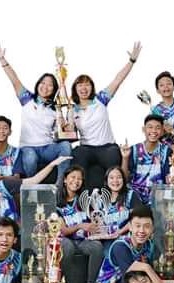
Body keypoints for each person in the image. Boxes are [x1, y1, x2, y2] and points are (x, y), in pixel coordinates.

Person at [0, 42, 71, 184]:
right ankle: (31, 187)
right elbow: (15, 80)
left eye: (50, 85)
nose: (45, 87)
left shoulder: (55, 109)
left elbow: (59, 133)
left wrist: (63, 124)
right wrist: (2, 60)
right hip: (28, 147)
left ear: (54, 90)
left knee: (65, 145)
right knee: (30, 157)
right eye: (43, 83)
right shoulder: (27, 99)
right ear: (38, 84)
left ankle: (60, 185)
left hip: (47, 147)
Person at [70, 42, 142, 189]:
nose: (84, 88)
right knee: (78, 154)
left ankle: (116, 196)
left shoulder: (100, 100)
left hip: (106, 147)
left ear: (92, 87)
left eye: (87, 84)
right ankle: (80, 196)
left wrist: (131, 61)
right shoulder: (72, 110)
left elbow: (118, 80)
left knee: (113, 155)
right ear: (75, 89)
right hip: (86, 148)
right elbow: (70, 133)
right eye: (80, 85)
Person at [57, 165, 105, 283]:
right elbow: (63, 230)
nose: (76, 181)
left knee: (97, 246)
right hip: (66, 240)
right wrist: (80, 226)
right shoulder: (57, 203)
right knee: (67, 246)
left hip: (83, 241)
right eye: (73, 177)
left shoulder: (85, 200)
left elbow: (95, 219)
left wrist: (96, 225)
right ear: (65, 180)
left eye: (79, 179)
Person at [95, 205, 155, 283]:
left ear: (152, 228)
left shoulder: (148, 245)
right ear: (130, 227)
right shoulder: (120, 246)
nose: (142, 231)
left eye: (147, 226)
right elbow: (131, 281)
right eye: (137, 226)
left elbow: (151, 274)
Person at [120, 114, 173, 205]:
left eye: (157, 128)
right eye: (150, 127)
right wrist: (125, 158)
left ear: (162, 131)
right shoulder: (134, 149)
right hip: (136, 194)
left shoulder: (166, 151)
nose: (153, 131)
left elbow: (169, 179)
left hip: (158, 194)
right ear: (143, 129)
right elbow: (124, 178)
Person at [99, 166, 143, 247]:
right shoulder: (101, 200)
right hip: (106, 239)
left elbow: (138, 218)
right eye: (111, 178)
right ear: (106, 181)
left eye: (119, 177)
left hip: (126, 239)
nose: (115, 181)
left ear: (123, 180)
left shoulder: (131, 195)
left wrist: (119, 232)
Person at [0, 115, 24, 182]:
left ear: (10, 132)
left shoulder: (16, 152)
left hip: (10, 187)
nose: (1, 131)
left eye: (5, 128)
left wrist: (0, 178)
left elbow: (17, 178)